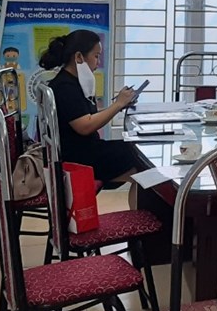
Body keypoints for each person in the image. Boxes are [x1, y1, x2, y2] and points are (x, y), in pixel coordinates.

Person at [38, 30, 141, 191]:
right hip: (77, 157)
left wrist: (120, 105)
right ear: (79, 57)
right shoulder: (65, 87)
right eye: (96, 56)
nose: (98, 63)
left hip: (83, 150)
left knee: (135, 153)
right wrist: (118, 104)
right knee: (136, 157)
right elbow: (85, 126)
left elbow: (87, 115)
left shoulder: (72, 82)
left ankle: (139, 196)